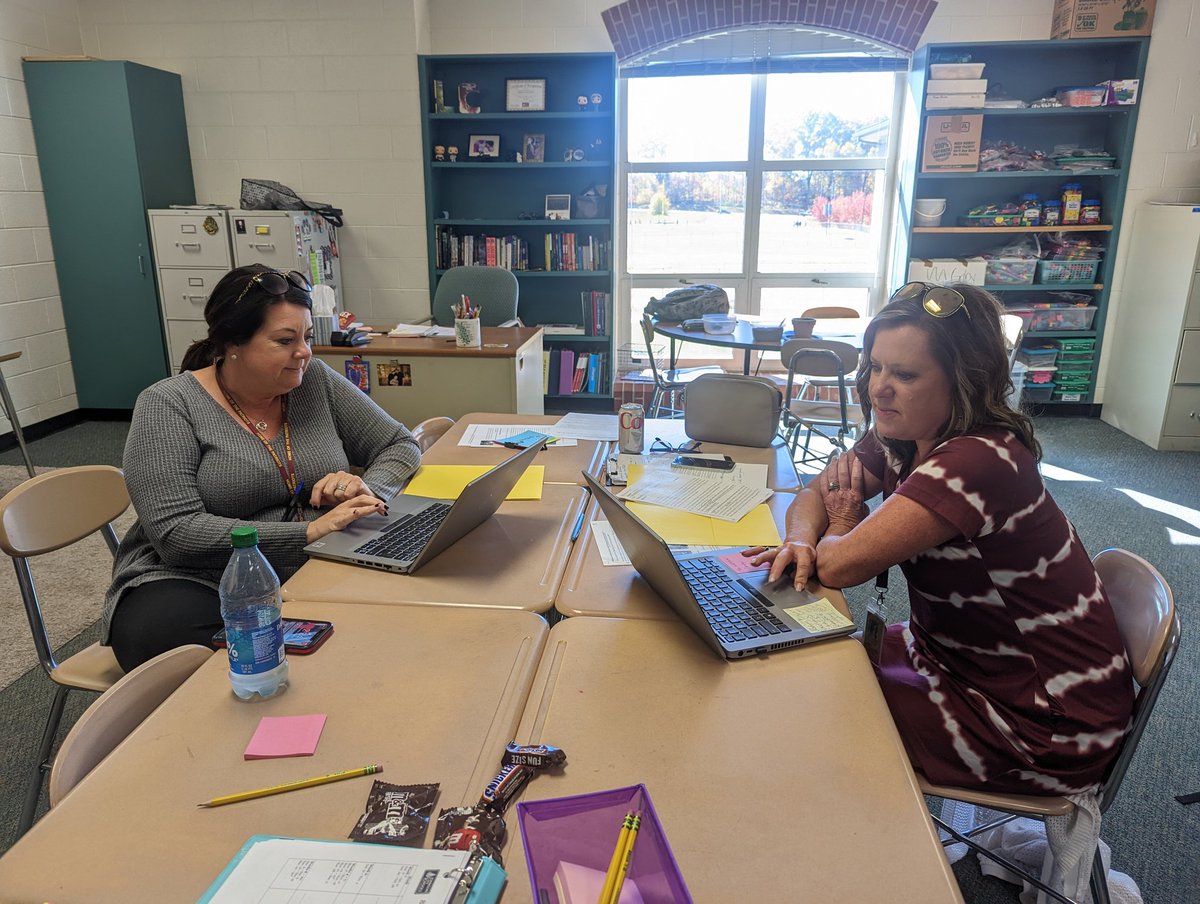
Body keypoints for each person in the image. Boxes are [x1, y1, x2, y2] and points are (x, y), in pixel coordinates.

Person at [752, 282, 1133, 795]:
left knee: (803, 703)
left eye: (904, 374)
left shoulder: (976, 462)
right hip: (950, 658)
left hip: (1042, 719)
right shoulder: (903, 429)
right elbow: (815, 493)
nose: (878, 389)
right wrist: (801, 539)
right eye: (875, 367)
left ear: (964, 382)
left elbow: (839, 567)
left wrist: (840, 528)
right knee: (793, 661)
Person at [104, 264, 422, 671]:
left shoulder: (312, 380)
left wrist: (367, 490)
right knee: (183, 642)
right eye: (285, 340)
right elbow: (176, 533)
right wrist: (308, 531)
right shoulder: (168, 404)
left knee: (378, 630)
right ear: (232, 343)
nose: (304, 352)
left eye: (307, 337)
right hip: (197, 576)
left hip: (315, 561)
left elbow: (398, 443)